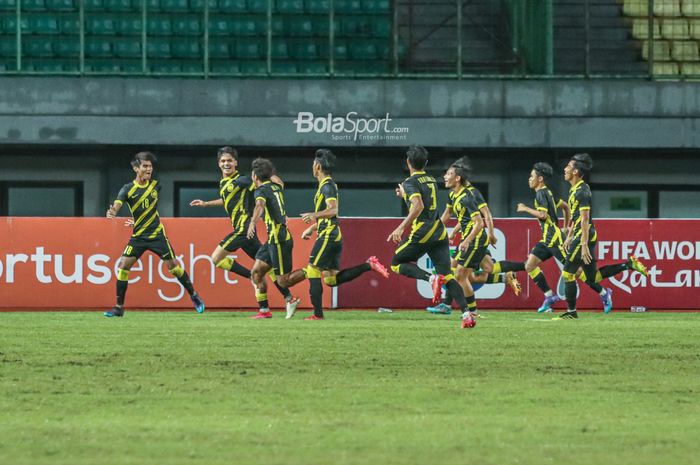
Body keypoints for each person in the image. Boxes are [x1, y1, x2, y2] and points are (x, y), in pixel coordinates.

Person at [189, 146, 299, 315]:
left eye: (230, 161)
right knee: (266, 269)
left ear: (235, 162)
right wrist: (206, 203)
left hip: (243, 229)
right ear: (219, 163)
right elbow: (226, 199)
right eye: (223, 161)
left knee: (216, 258)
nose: (226, 164)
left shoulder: (244, 180)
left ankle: (251, 277)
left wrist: (271, 178)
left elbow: (265, 184)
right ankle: (279, 302)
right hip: (247, 234)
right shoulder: (224, 182)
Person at [286, 149, 389, 320]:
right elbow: (328, 214)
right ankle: (368, 265)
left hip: (328, 235)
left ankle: (317, 315)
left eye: (313, 164)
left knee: (312, 270)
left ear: (317, 166)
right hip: (332, 233)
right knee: (330, 280)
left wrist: (314, 215)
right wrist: (312, 228)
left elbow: (333, 210)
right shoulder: (326, 185)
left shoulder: (327, 185)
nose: (312, 167)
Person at [104, 151, 204, 317]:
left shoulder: (155, 186)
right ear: (136, 168)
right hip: (138, 237)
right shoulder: (127, 189)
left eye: (150, 166)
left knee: (174, 267)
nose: (149, 169)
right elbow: (118, 203)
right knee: (123, 266)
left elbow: (146, 209)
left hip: (157, 235)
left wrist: (135, 219)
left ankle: (194, 295)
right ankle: (119, 307)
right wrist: (113, 211)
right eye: (145, 166)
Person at [387, 145, 476, 329]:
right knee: (448, 276)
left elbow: (418, 206)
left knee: (396, 264)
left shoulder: (410, 181)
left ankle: (430, 279)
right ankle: (467, 314)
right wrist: (405, 195)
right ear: (425, 163)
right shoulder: (431, 179)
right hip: (438, 231)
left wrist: (400, 227)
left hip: (423, 231)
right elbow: (422, 201)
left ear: (408, 162)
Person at [555, 153, 648, 319]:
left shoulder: (582, 191)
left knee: (568, 274)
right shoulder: (575, 189)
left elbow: (584, 219)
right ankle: (628, 265)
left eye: (568, 167)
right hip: (583, 234)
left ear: (575, 172)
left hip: (583, 236)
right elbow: (577, 218)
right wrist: (569, 236)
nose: (565, 169)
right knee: (593, 277)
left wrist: (582, 244)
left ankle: (571, 312)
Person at [246, 157, 302, 319]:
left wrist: (252, 223)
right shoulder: (277, 185)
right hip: (272, 239)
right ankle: (264, 311)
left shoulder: (261, 191)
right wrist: (267, 171)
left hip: (279, 239)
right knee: (256, 272)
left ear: (255, 176)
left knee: (284, 281)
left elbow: (259, 205)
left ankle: (313, 270)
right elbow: (278, 180)